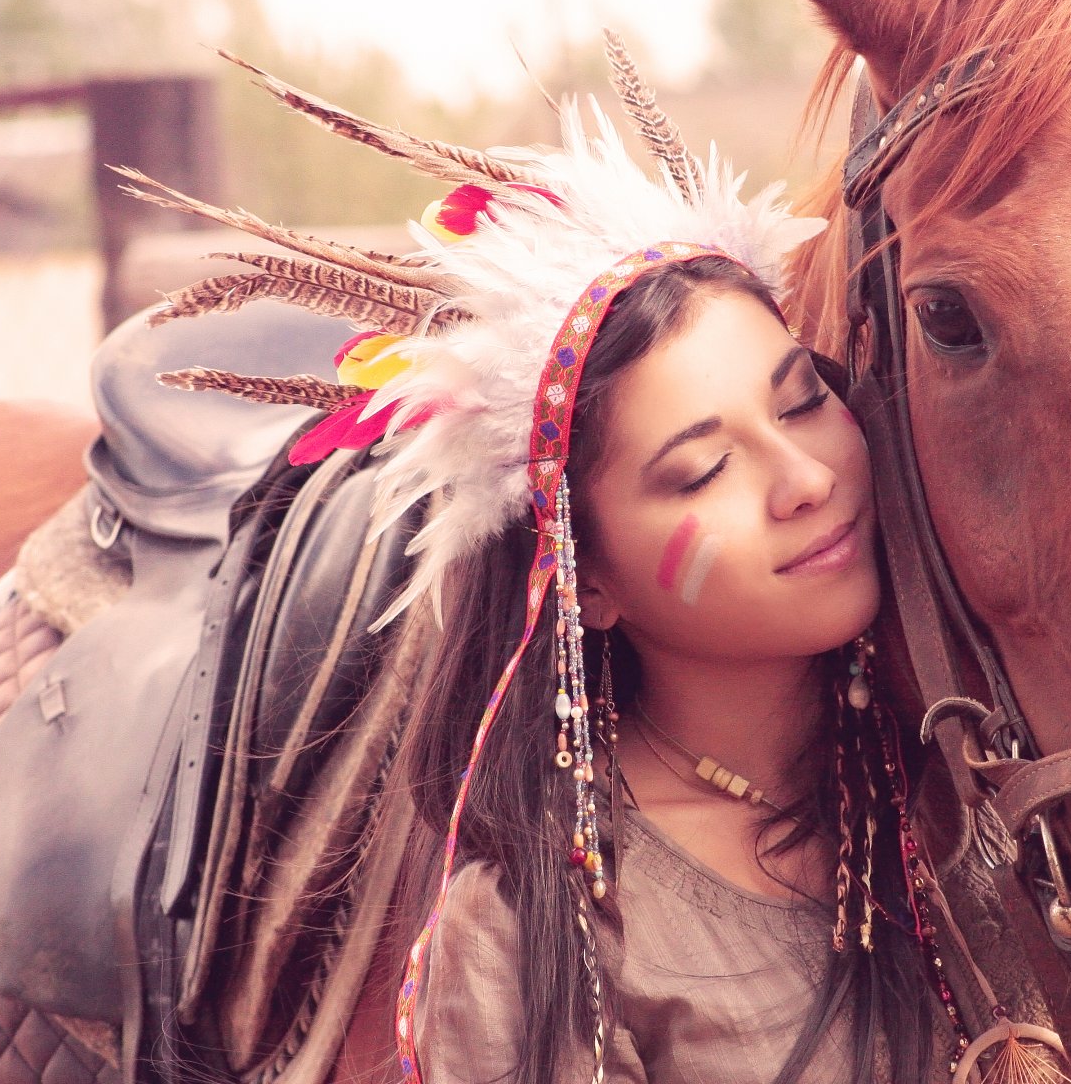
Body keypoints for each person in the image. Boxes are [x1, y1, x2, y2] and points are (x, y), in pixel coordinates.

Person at [145, 72, 952, 1084]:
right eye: (703, 467)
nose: (805, 479)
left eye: (800, 403)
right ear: (588, 577)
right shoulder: (547, 931)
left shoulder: (963, 776)